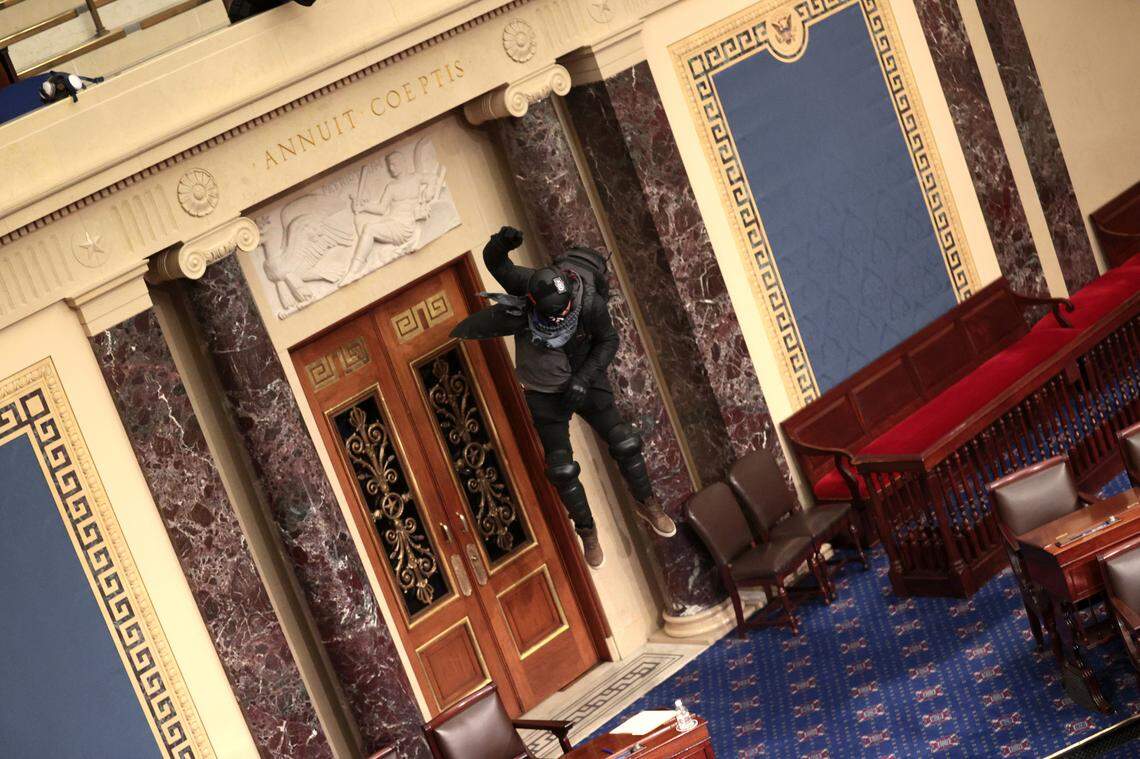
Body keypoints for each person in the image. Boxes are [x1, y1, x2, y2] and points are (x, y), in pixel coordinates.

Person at [451, 226, 676, 569]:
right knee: (561, 468)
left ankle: (648, 503)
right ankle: (586, 530)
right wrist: (502, 241)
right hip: (543, 390)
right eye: (549, 314)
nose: (556, 318)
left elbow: (609, 341)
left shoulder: (590, 303)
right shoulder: (529, 284)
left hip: (583, 378)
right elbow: (496, 264)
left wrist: (584, 380)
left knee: (625, 441)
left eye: (561, 312)